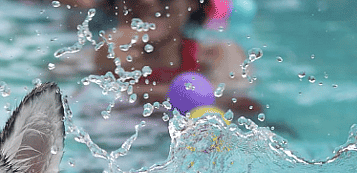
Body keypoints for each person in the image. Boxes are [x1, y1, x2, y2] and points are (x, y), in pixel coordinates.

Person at [70, 0, 261, 116]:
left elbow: (245, 107)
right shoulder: (97, 55)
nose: (146, 1)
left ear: (192, 3)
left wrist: (130, 92)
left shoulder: (219, 55)